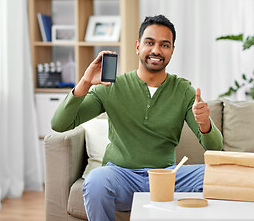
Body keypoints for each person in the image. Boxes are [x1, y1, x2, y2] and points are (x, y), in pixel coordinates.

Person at [51, 14, 223, 221]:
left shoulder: (184, 90)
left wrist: (204, 123)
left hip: (166, 178)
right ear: (137, 47)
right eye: (149, 43)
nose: (156, 50)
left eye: (164, 45)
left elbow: (215, 149)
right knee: (96, 180)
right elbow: (60, 124)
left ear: (172, 51)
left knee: (217, 175)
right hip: (121, 177)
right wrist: (86, 82)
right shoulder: (111, 86)